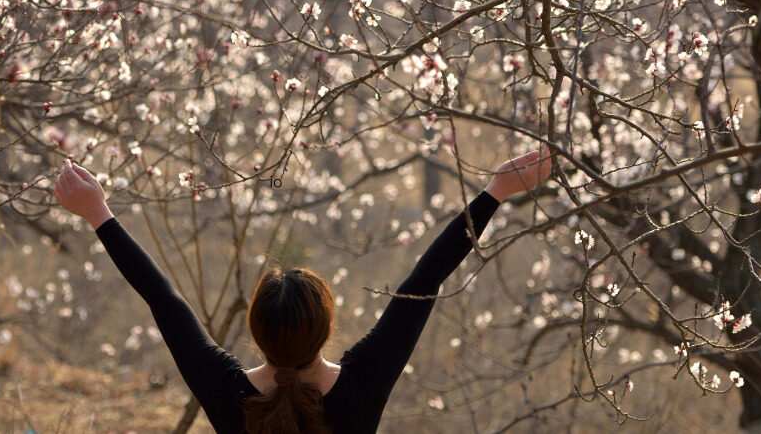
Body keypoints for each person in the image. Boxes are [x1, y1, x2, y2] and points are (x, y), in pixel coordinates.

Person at [54, 151, 553, 433]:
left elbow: (162, 300)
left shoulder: (226, 391)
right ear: (327, 327)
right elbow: (425, 279)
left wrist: (100, 214)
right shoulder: (363, 383)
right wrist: (496, 191)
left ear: (255, 328)